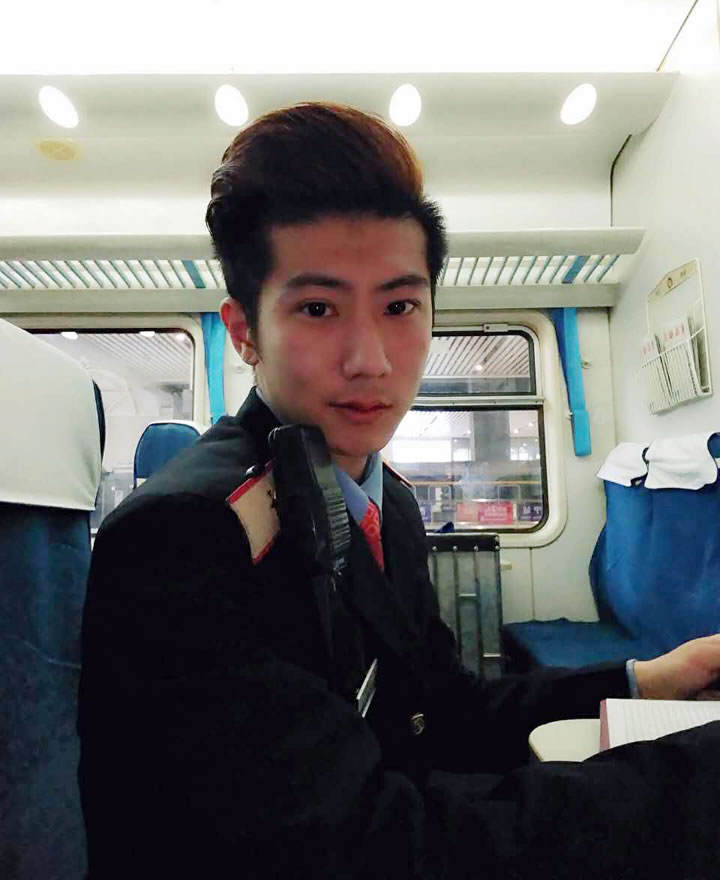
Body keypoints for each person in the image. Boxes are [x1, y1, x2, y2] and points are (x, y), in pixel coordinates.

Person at [78, 103, 720, 879]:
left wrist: (646, 679)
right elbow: (360, 847)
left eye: (399, 306)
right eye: (318, 308)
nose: (371, 359)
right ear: (244, 330)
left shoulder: (388, 503)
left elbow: (440, 709)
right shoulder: (186, 537)